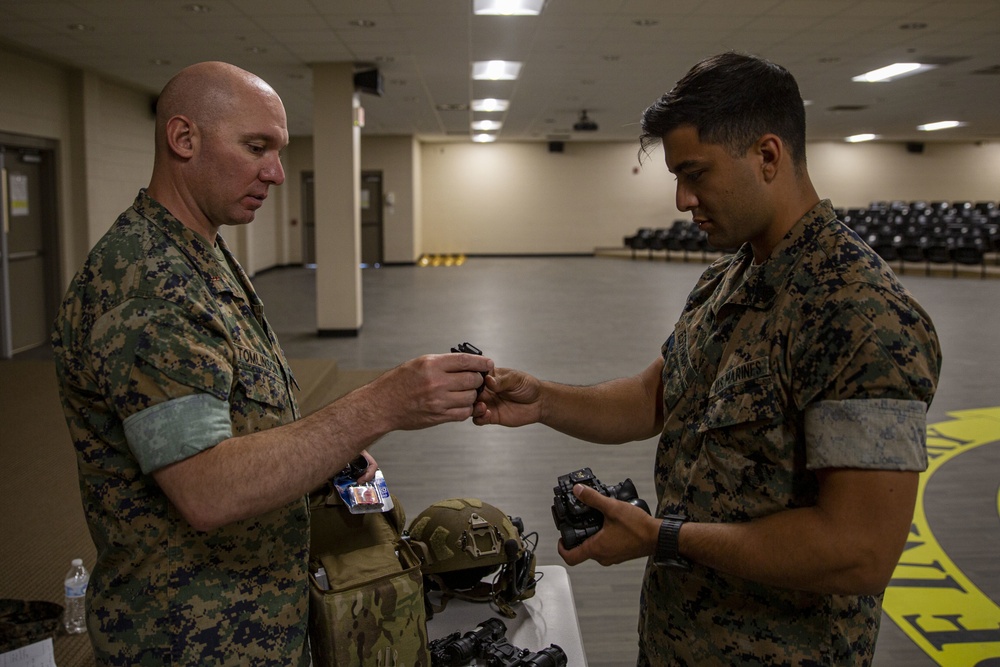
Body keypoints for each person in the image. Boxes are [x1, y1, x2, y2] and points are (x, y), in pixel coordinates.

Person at [474, 52, 941, 665]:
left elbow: (860, 550)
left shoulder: (860, 313)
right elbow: (655, 398)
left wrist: (663, 538)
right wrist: (543, 401)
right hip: (677, 641)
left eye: (694, 173)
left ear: (767, 157)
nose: (680, 198)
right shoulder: (728, 278)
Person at [51, 61, 491, 666]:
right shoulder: (148, 283)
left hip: (249, 618)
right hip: (188, 639)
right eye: (256, 147)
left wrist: (331, 453)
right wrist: (378, 406)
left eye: (278, 150)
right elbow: (206, 488)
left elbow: (236, 417)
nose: (276, 173)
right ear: (184, 139)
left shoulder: (199, 254)